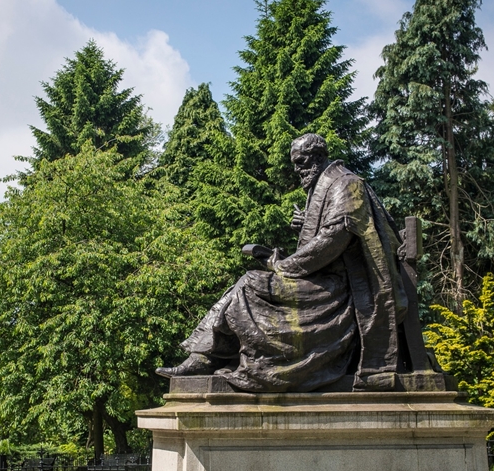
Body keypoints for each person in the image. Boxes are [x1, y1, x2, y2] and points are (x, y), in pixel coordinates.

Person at [156, 133, 408, 392]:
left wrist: (282, 265)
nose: (297, 170)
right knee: (245, 284)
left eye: (301, 162)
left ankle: (206, 358)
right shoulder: (324, 184)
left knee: (248, 284)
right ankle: (202, 357)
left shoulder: (346, 184)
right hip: (320, 280)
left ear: (319, 158)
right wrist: (304, 227)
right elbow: (323, 236)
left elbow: (332, 241)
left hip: (341, 290)